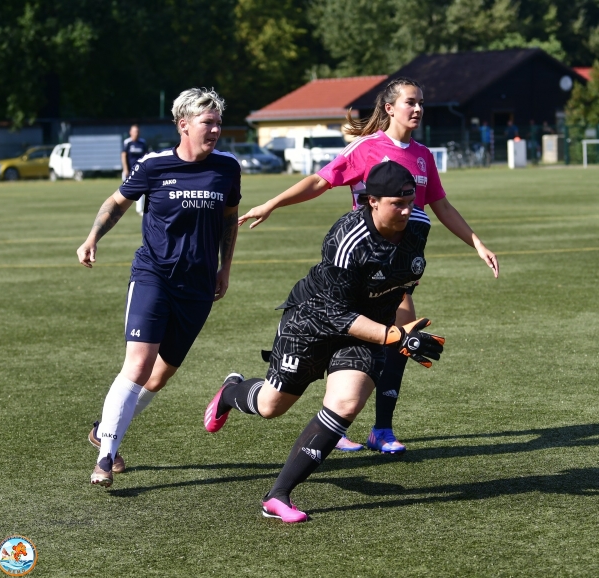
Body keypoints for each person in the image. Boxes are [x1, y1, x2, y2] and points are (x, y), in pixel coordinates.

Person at [237, 77, 498, 454]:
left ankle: (381, 429)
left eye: (422, 102)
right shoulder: (366, 148)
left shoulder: (423, 155)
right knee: (355, 334)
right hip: (360, 268)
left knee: (401, 338)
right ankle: (337, 419)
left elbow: (440, 204)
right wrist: (271, 203)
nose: (418, 109)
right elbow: (320, 181)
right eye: (411, 102)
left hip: (401, 265)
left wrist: (476, 242)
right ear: (390, 108)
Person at [203, 161, 445, 523]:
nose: (409, 210)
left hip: (367, 327)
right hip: (312, 322)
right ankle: (230, 393)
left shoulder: (419, 226)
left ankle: (278, 495)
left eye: (411, 201)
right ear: (371, 201)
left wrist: (403, 334)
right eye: (398, 203)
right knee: (272, 405)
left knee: (347, 403)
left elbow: (400, 283)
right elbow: (334, 313)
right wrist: (393, 336)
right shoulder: (347, 239)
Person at [78, 88, 241, 487]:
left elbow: (229, 219)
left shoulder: (227, 168)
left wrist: (225, 269)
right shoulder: (153, 166)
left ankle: (103, 430)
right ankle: (106, 456)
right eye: (208, 122)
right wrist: (92, 237)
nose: (216, 129)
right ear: (183, 124)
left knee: (158, 377)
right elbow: (116, 202)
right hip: (153, 276)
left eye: (218, 122)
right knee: (137, 365)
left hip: (198, 286)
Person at [122, 125, 150, 215]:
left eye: (137, 131)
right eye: (134, 131)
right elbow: (123, 156)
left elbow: (146, 155)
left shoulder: (142, 142)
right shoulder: (127, 142)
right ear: (130, 132)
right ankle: (121, 208)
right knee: (126, 191)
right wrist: (125, 169)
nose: (136, 133)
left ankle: (139, 209)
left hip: (140, 171)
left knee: (141, 190)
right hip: (129, 170)